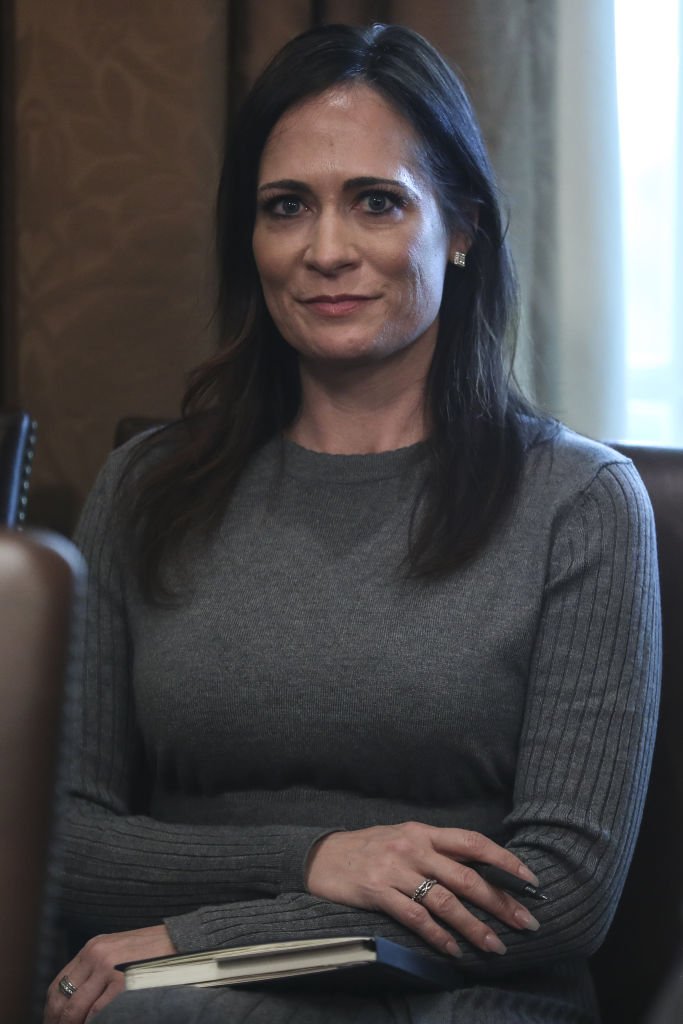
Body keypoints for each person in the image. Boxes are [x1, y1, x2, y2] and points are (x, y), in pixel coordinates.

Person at [44, 22, 660, 1024]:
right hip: (176, 996)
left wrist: (219, 936)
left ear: (459, 226)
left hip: (463, 997)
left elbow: (561, 890)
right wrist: (316, 860)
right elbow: (58, 835)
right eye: (285, 207)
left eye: (376, 202)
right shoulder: (145, 487)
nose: (325, 251)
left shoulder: (577, 502)